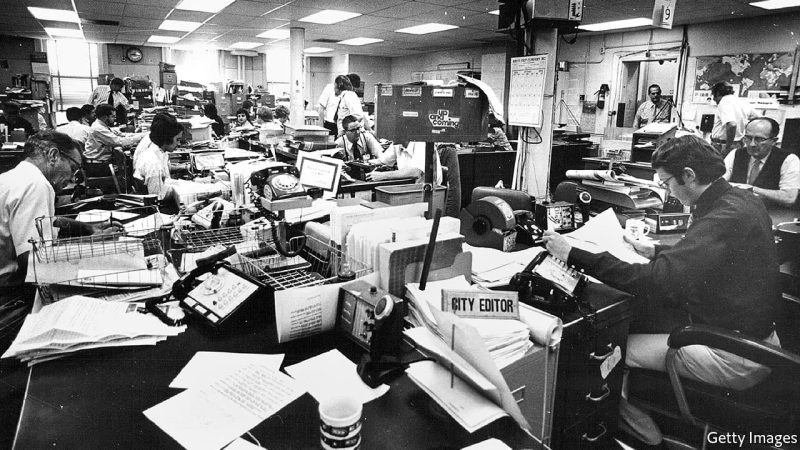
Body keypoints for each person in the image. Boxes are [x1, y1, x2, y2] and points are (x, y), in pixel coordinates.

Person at [542, 135, 781, 446]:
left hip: (735, 354)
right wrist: (656, 251)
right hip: (754, 338)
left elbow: (654, 282)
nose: (667, 190)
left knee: (616, 348)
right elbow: (713, 256)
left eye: (667, 182)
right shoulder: (740, 200)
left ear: (689, 175)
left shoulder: (723, 216)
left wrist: (572, 253)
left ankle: (641, 435)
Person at [0, 131, 121, 289]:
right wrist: (92, 242)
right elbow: (32, 261)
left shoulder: (14, 177)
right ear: (53, 156)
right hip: (8, 291)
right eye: (73, 168)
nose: (72, 178)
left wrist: (88, 228)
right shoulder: (36, 184)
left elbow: (51, 221)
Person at [723, 117, 800, 207]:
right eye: (748, 138)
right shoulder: (736, 154)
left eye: (759, 139)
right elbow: (718, 183)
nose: (752, 144)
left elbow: (789, 197)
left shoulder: (789, 160)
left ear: (773, 141)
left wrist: (752, 189)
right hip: (736, 208)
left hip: (771, 212)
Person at [133, 113, 184, 203]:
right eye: (177, 139)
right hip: (158, 204)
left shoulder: (158, 151)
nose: (179, 144)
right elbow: (157, 197)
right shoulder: (154, 163)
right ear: (167, 138)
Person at [710, 81, 758, 156]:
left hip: (723, 145)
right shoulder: (742, 102)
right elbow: (760, 119)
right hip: (738, 144)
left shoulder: (724, 102)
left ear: (718, 93)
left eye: (714, 96)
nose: (714, 99)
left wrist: (728, 146)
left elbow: (732, 125)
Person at [366, 141, 442, 185]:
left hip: (427, 192)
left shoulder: (421, 143)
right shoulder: (397, 143)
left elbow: (416, 172)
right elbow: (383, 161)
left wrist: (382, 175)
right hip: (409, 187)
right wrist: (365, 163)